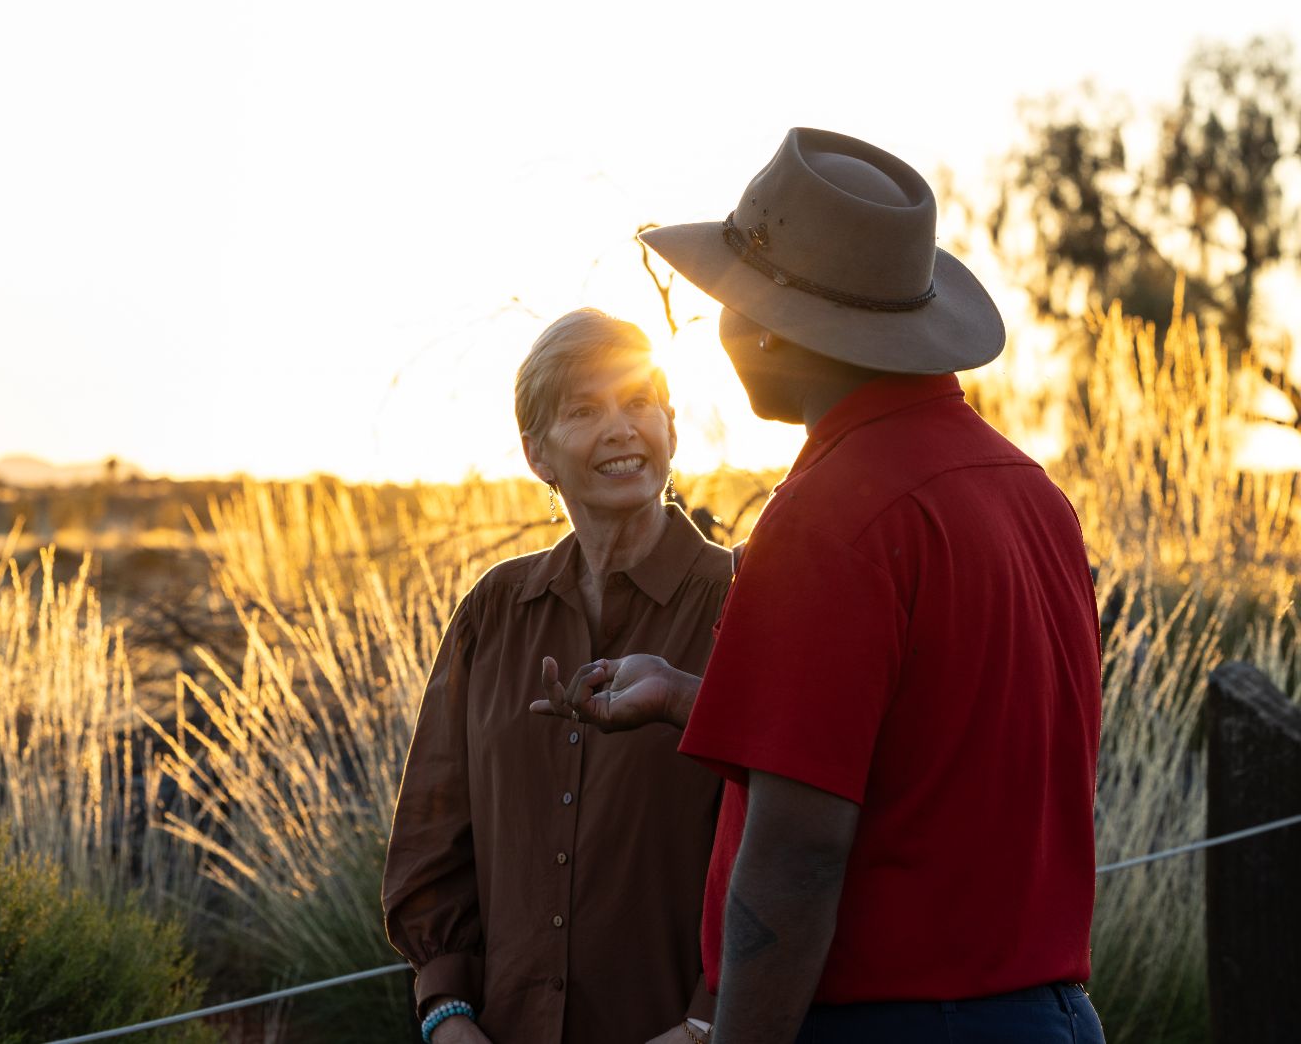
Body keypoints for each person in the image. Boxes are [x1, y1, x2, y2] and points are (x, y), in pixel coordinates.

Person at [535, 128, 1105, 1044]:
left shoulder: (829, 515)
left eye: (732, 298)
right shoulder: (1031, 495)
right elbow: (922, 747)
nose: (722, 326)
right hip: (1054, 1017)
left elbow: (798, 850)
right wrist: (685, 694)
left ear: (772, 325)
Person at [382, 308, 732, 1044]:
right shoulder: (492, 610)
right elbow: (432, 838)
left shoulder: (743, 603)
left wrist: (708, 1023)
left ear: (671, 426)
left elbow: (789, 843)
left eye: (638, 401)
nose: (620, 428)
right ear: (537, 453)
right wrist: (447, 1014)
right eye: (584, 410)